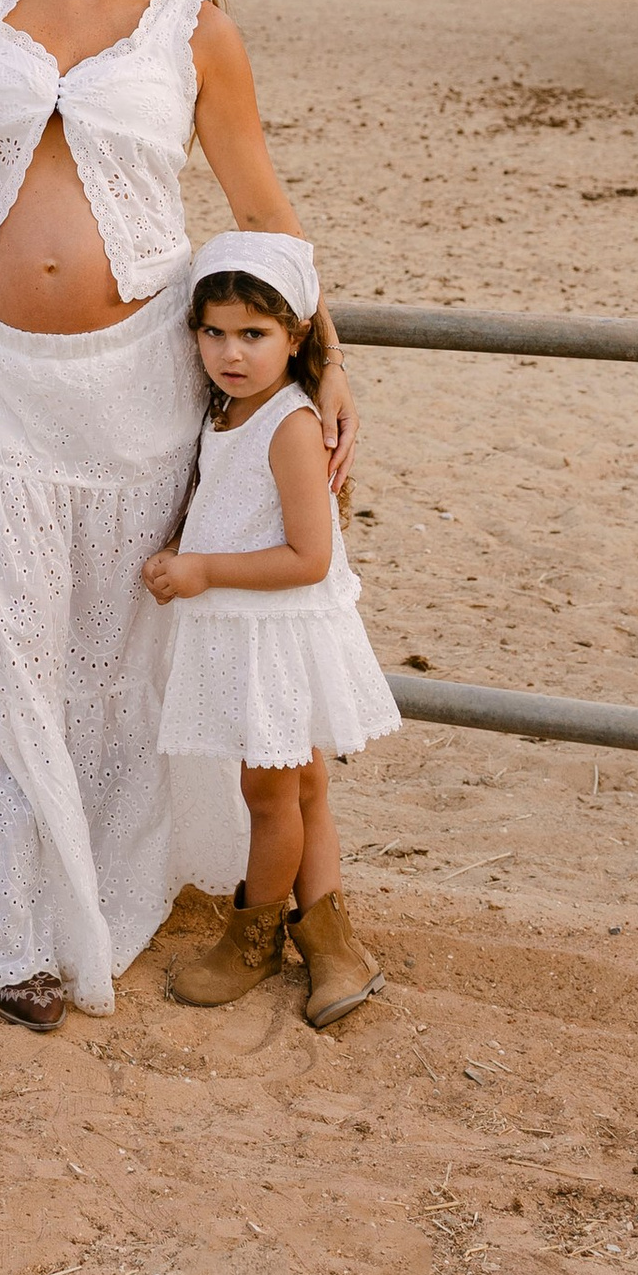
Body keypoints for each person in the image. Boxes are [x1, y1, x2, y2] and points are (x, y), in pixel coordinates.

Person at [0, 0, 357, 1032]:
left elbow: (259, 202)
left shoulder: (192, 28)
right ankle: (14, 926)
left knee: (114, 651)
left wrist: (324, 362)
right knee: (0, 649)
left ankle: (95, 888)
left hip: (137, 384)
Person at [142, 235, 398, 1025]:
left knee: (269, 794)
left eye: (253, 335)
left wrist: (204, 570)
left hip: (276, 637)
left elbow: (310, 557)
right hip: (259, 632)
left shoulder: (288, 423)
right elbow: (228, 501)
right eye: (213, 332)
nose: (230, 352)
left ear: (295, 337)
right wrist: (184, 549)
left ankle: (251, 941)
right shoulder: (229, 412)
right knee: (306, 786)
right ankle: (333, 945)